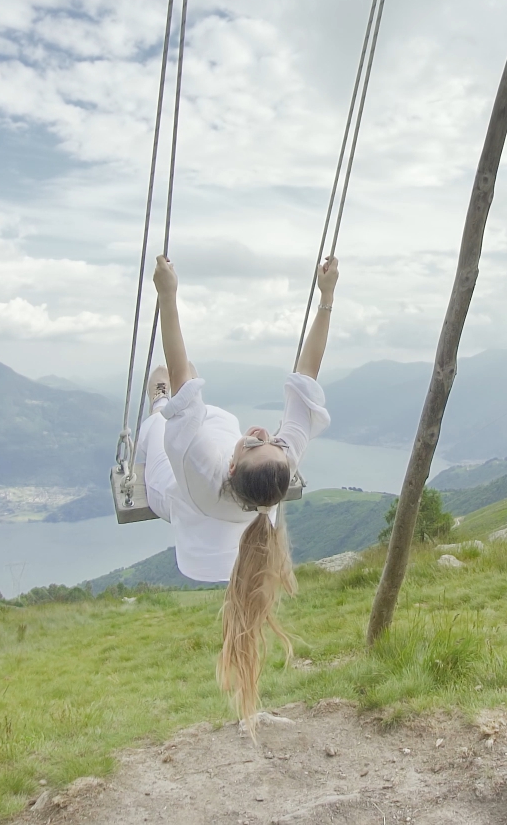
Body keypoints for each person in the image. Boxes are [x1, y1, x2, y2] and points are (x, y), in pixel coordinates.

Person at [135, 252, 339, 723]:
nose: (262, 434)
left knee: (166, 384)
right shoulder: (274, 467)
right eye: (267, 441)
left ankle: (155, 401)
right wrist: (327, 298)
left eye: (252, 443)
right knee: (210, 409)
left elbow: (184, 376)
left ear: (232, 467)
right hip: (213, 457)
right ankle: (165, 398)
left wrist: (167, 294)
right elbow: (307, 375)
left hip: (170, 485)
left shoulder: (197, 462)